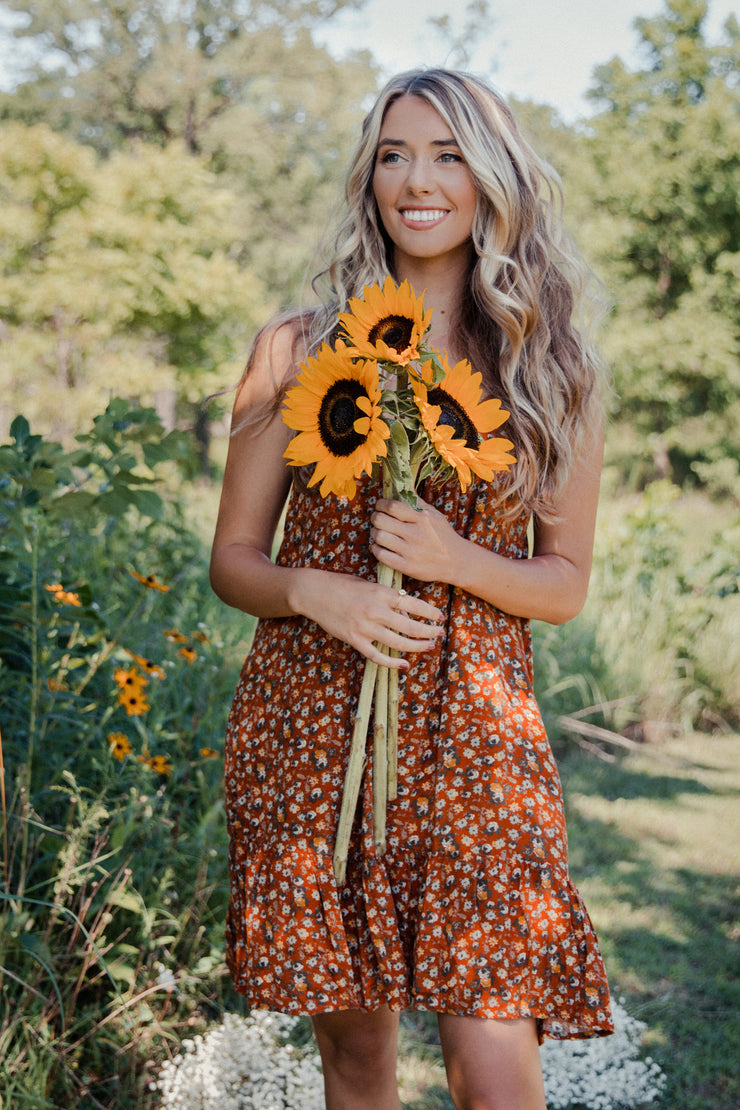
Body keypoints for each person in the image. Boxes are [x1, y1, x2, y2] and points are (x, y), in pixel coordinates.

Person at [210, 67, 613, 1110]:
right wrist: (318, 593)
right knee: (355, 1063)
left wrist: (453, 560)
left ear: (491, 180)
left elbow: (561, 584)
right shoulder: (294, 350)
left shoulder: (547, 364)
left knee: (494, 1067)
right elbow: (234, 561)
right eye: (393, 153)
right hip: (314, 732)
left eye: (445, 154)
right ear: (367, 177)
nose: (416, 179)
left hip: (479, 743)